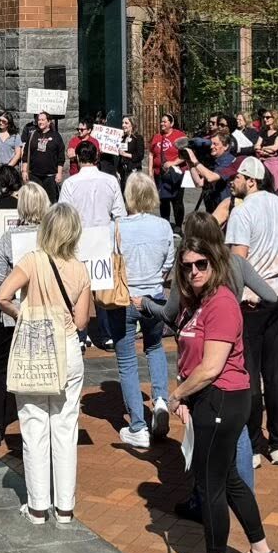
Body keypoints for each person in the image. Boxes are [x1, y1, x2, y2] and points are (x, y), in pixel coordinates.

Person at [168, 216, 278, 553]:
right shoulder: (199, 301)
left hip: (220, 398)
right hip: (214, 399)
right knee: (230, 479)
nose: (194, 271)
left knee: (210, 484)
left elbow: (211, 366)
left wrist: (178, 394)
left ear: (214, 262)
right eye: (187, 266)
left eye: (201, 264)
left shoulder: (220, 303)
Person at [0, 201, 95, 523]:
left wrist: (22, 314)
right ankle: (65, 507)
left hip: (36, 345)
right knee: (65, 428)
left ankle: (38, 506)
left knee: (34, 425)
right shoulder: (80, 269)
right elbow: (81, 322)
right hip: (67, 346)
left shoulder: (32, 260)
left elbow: (1, 296)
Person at [225, 158, 278, 464]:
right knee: (275, 373)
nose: (233, 181)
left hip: (251, 299)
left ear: (251, 181)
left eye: (238, 176)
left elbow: (239, 261)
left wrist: (234, 296)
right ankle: (277, 443)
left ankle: (252, 444)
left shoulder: (242, 212)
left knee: (249, 372)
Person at [111, 171, 177, 446]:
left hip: (125, 297)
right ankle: (160, 398)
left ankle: (137, 425)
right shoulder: (163, 226)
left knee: (127, 360)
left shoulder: (117, 227)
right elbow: (168, 263)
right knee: (155, 347)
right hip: (155, 295)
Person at [0, 170, 39, 445]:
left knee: (0, 365)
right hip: (43, 311)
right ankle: (36, 425)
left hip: (11, 311)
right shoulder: (50, 236)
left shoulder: (11, 237)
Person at [57, 137, 123, 226]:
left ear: (77, 157)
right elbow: (120, 215)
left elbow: (63, 216)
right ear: (96, 156)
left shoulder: (69, 183)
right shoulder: (111, 181)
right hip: (106, 231)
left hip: (80, 232)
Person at [24, 111, 65, 197]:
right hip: (34, 175)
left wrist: (59, 173)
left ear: (49, 122)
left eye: (43, 120)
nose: (40, 122)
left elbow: (61, 156)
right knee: (35, 200)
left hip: (50, 176)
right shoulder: (32, 135)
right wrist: (24, 171)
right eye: (39, 120)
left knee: (50, 201)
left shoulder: (56, 136)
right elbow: (25, 154)